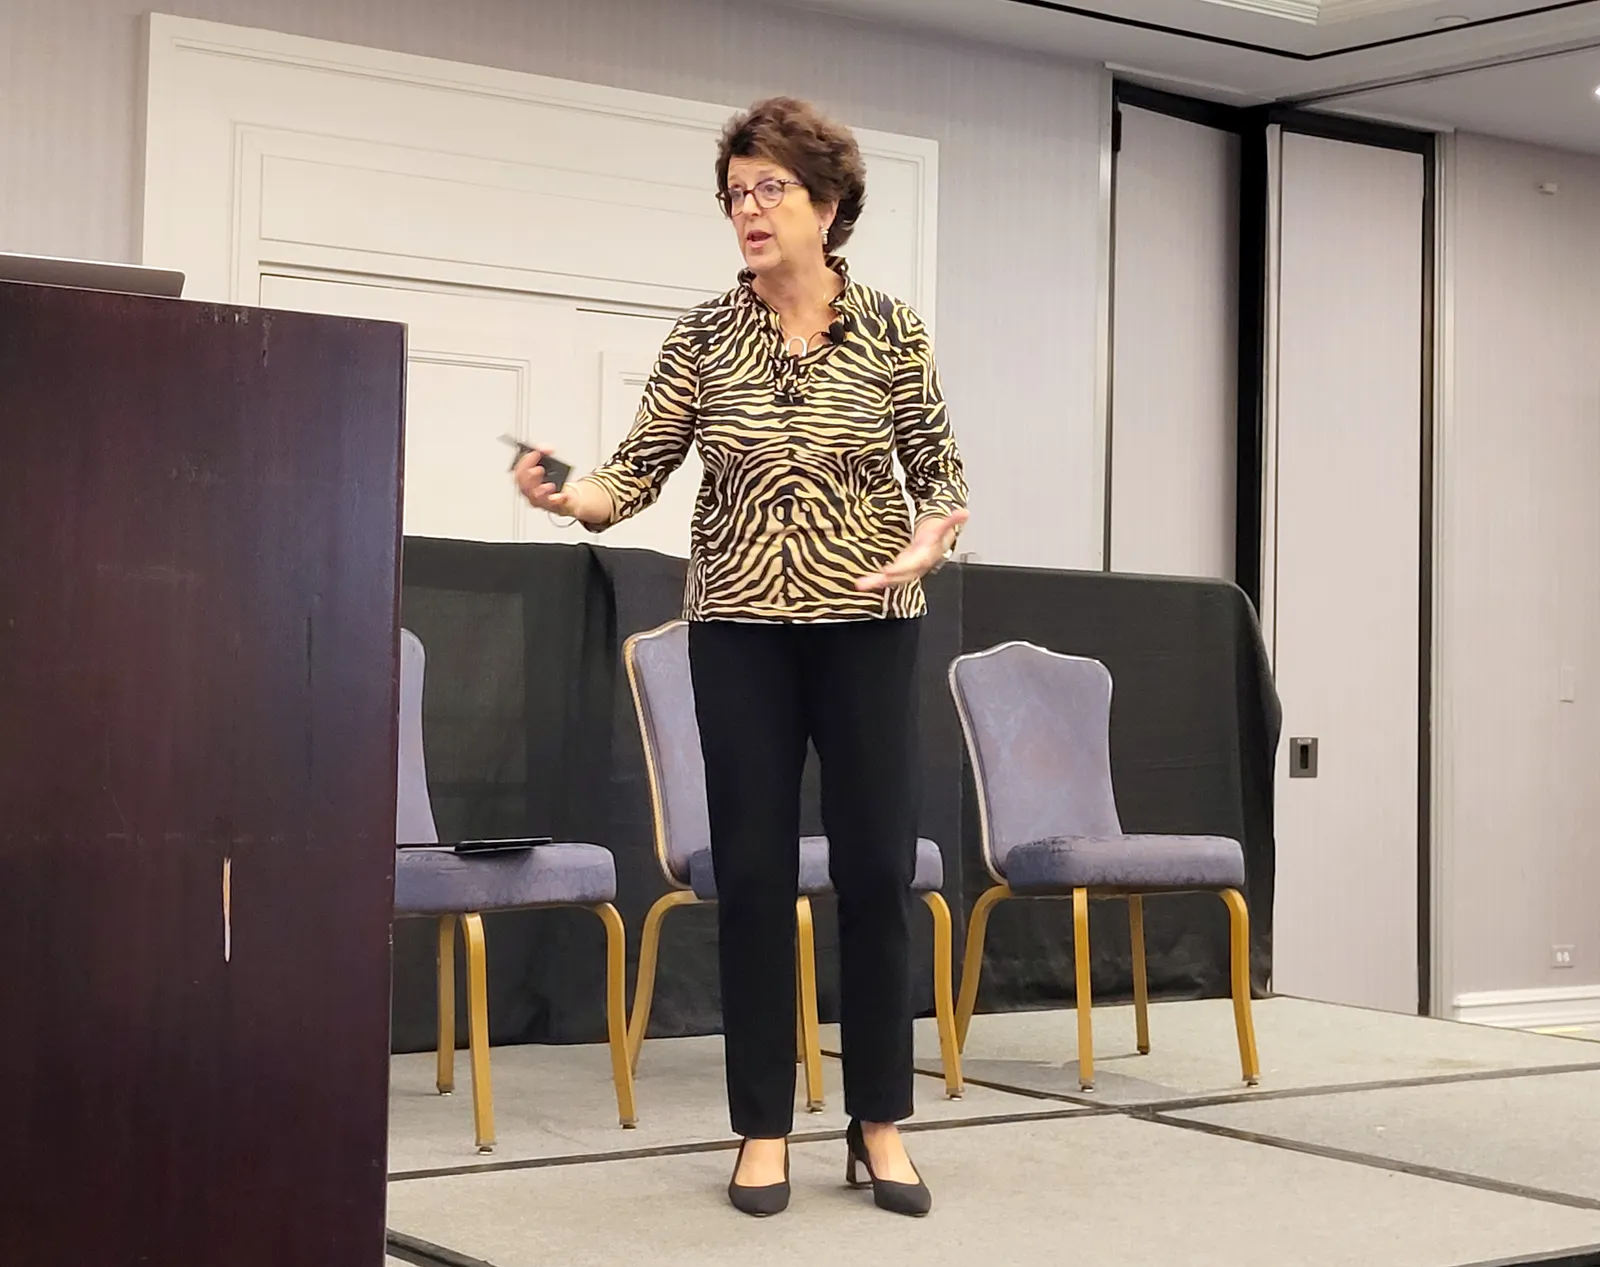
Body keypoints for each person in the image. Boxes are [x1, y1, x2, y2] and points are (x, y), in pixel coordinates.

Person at [514, 96, 967, 1218]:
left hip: (870, 628)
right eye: (734, 194)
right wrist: (573, 495)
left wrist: (924, 542)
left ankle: (878, 1124)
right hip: (740, 633)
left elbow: (941, 478)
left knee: (874, 873)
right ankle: (762, 1127)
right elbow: (634, 472)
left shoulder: (894, 330)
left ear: (826, 203)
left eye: (769, 190)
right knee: (757, 875)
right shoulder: (706, 335)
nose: (747, 211)